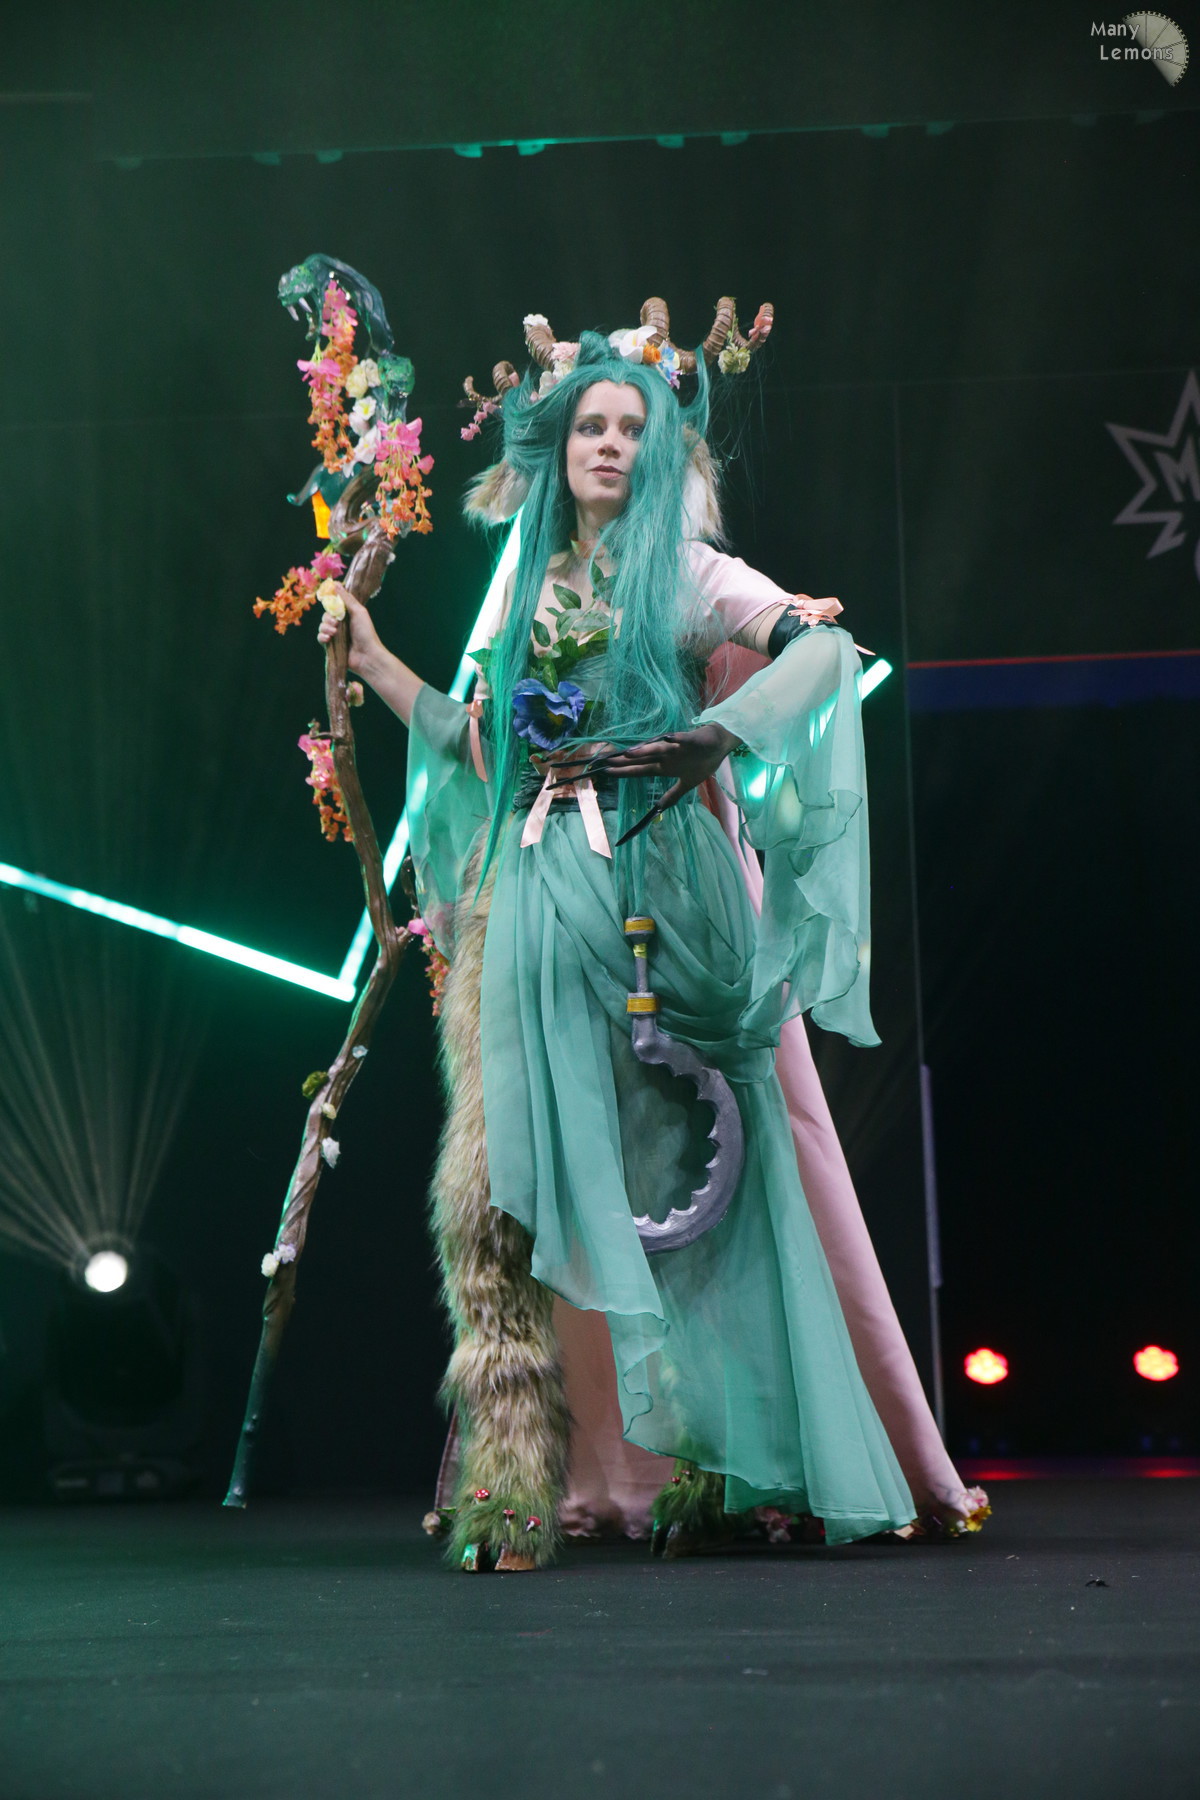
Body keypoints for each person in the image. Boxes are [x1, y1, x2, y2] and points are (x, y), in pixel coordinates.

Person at [319, 305, 989, 1572]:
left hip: (661, 894)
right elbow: (487, 746)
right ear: (558, 445)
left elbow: (821, 649)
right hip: (534, 897)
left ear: (660, 448)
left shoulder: (686, 572)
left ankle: (722, 1466)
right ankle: (517, 1485)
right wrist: (379, 664)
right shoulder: (530, 583)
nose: (612, 445)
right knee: (504, 1186)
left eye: (634, 428)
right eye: (593, 425)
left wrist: (713, 737)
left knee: (699, 1179)